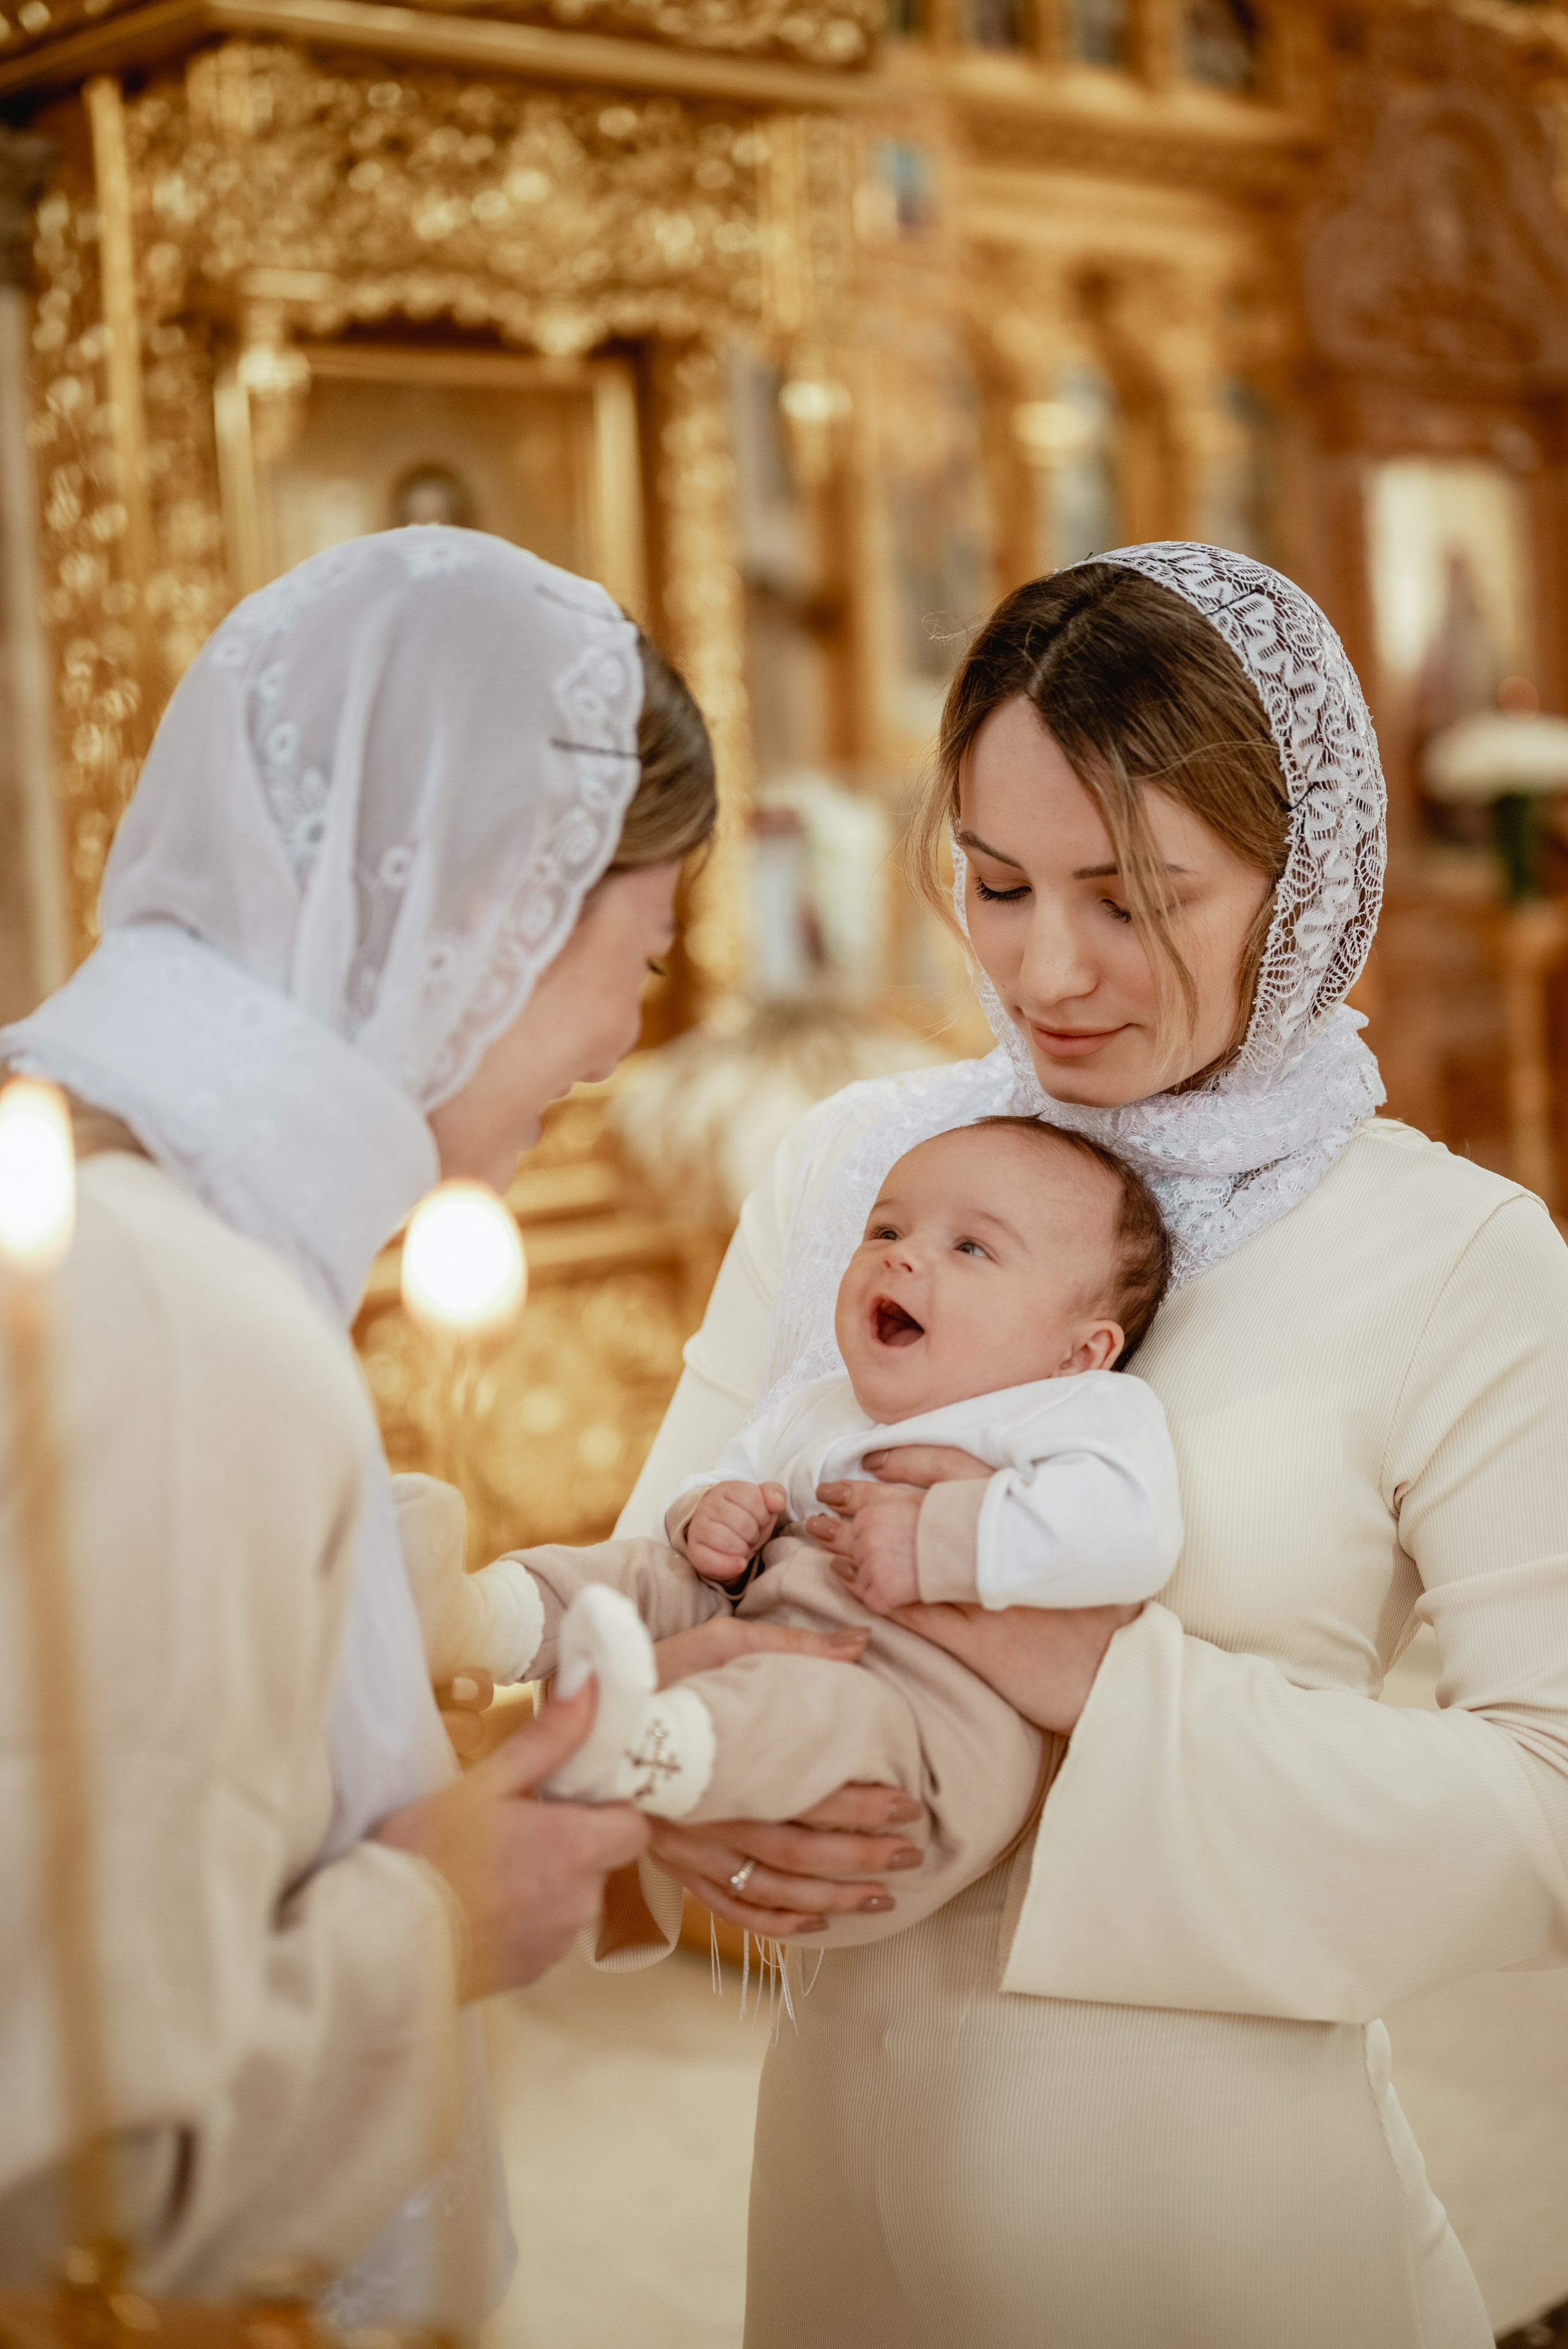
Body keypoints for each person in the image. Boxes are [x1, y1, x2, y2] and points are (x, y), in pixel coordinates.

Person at [612, 544, 1568, 2347]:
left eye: (1136, 896)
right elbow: (669, 1562)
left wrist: (1086, 1673)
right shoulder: (864, 1173)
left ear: (1302, 881)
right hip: (839, 2201)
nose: (1048, 968)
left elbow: (1554, 1807)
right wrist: (682, 1789)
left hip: (1218, 2236)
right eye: (994, 881)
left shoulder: (1454, 1252)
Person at [0, 529, 846, 2330]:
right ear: (491, 911)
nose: (625, 1034)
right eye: (642, 949)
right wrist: (438, 1928)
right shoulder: (176, 1316)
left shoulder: (117, 1192)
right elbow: (81, 2165)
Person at [403, 1117, 1179, 1950]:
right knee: (652, 1571)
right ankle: (474, 1619)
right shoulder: (824, 1404)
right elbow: (720, 1478)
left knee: (825, 1707)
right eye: (886, 1228)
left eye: (973, 1250)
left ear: (1081, 1349)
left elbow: (1130, 1527)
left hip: (917, 1731)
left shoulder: (1079, 1410)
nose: (902, 1255)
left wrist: (942, 1538)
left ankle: (649, 1744)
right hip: (767, 1631)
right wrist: (711, 1515)